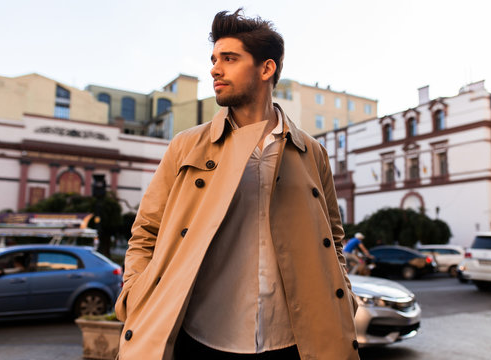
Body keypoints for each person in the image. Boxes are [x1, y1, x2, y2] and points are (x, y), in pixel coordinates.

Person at [115, 9, 359, 360]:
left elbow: (333, 237)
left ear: (266, 68)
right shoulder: (187, 145)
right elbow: (146, 232)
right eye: (214, 59)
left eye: (229, 59)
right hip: (201, 335)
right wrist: (134, 291)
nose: (215, 68)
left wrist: (342, 294)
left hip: (293, 341)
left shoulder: (311, 152)